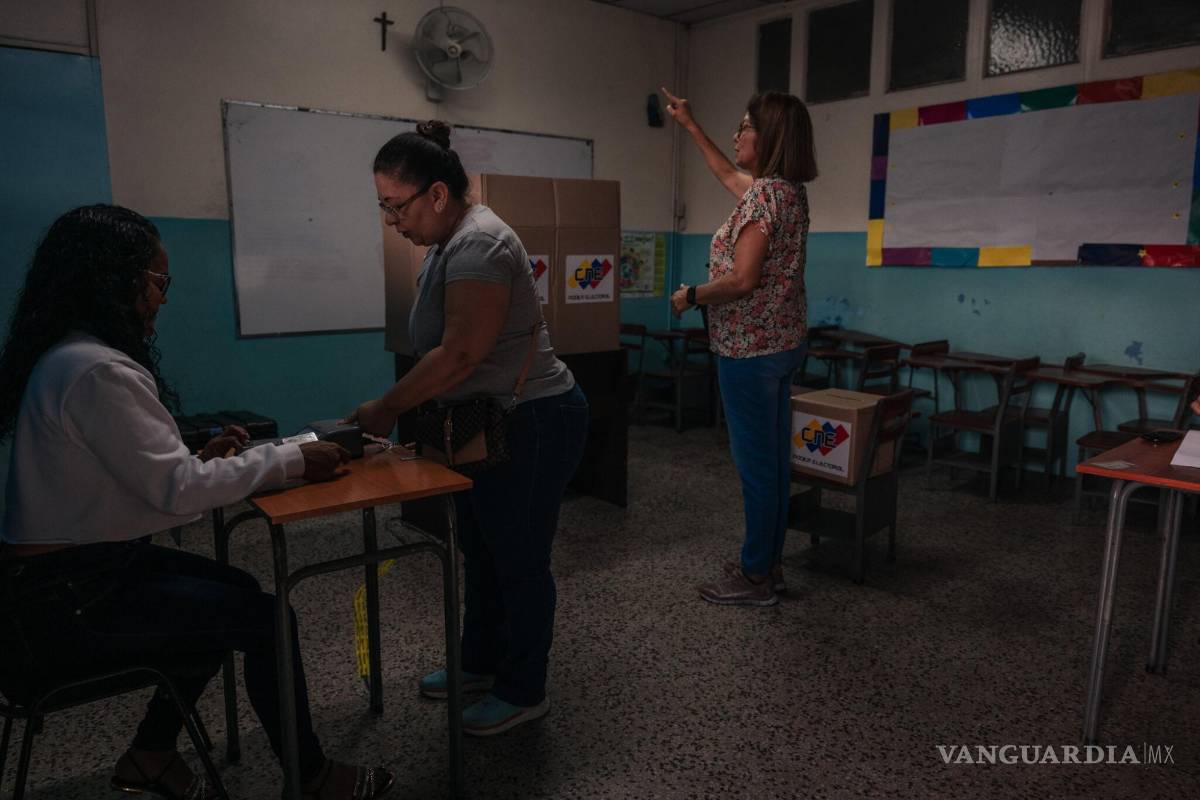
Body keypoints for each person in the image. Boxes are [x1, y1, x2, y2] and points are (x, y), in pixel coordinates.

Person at [0, 205, 394, 800]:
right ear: (115, 279)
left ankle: (152, 754)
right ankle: (311, 777)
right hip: (67, 604)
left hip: (59, 583)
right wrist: (290, 459)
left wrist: (200, 459)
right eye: (157, 282)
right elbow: (175, 491)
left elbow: (133, 479)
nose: (161, 297)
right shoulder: (97, 371)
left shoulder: (68, 357)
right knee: (265, 619)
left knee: (232, 594)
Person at [348, 121, 588, 737]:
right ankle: (480, 662)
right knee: (481, 551)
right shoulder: (447, 244)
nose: (389, 219)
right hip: (493, 422)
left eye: (395, 205)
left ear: (435, 195)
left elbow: (460, 355)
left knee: (519, 559)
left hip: (532, 420)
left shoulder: (481, 244)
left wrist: (385, 407)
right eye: (382, 205)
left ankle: (523, 688)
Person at [661, 87, 818, 607]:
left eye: (747, 127)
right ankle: (766, 565)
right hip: (782, 344)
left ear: (769, 136)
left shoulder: (765, 198)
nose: (737, 135)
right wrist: (690, 125)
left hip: (749, 351)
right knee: (772, 464)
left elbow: (744, 279)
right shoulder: (787, 193)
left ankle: (754, 577)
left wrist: (691, 296)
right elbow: (730, 176)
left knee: (756, 467)